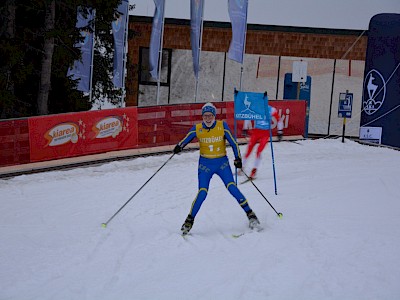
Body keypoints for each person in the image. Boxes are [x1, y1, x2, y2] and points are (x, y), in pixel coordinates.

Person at [173, 102, 260, 235]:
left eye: (210, 116)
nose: (208, 118)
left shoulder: (222, 126)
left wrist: (238, 158)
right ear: (202, 117)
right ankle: (189, 220)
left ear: (214, 116)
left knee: (232, 187)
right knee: (202, 192)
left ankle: (251, 214)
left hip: (222, 164)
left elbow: (233, 142)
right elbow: (185, 140)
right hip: (205, 165)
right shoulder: (197, 128)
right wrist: (179, 147)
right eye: (205, 116)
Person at [242, 104, 284, 179]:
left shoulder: (271, 109)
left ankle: (254, 170)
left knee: (259, 151)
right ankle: (242, 168)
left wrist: (280, 131)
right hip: (256, 132)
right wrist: (245, 128)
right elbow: (248, 116)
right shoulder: (255, 108)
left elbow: (279, 120)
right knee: (249, 149)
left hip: (265, 134)